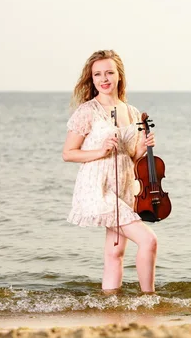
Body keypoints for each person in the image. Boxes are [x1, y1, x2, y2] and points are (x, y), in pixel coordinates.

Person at [62, 49, 158, 293]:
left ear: (119, 76)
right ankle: (149, 300)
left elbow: (133, 157)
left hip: (123, 186)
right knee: (148, 240)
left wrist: (143, 146)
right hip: (97, 187)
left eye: (109, 73)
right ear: (91, 79)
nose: (103, 79)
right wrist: (101, 151)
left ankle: (109, 305)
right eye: (97, 74)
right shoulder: (87, 111)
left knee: (115, 252)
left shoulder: (133, 112)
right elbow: (69, 153)